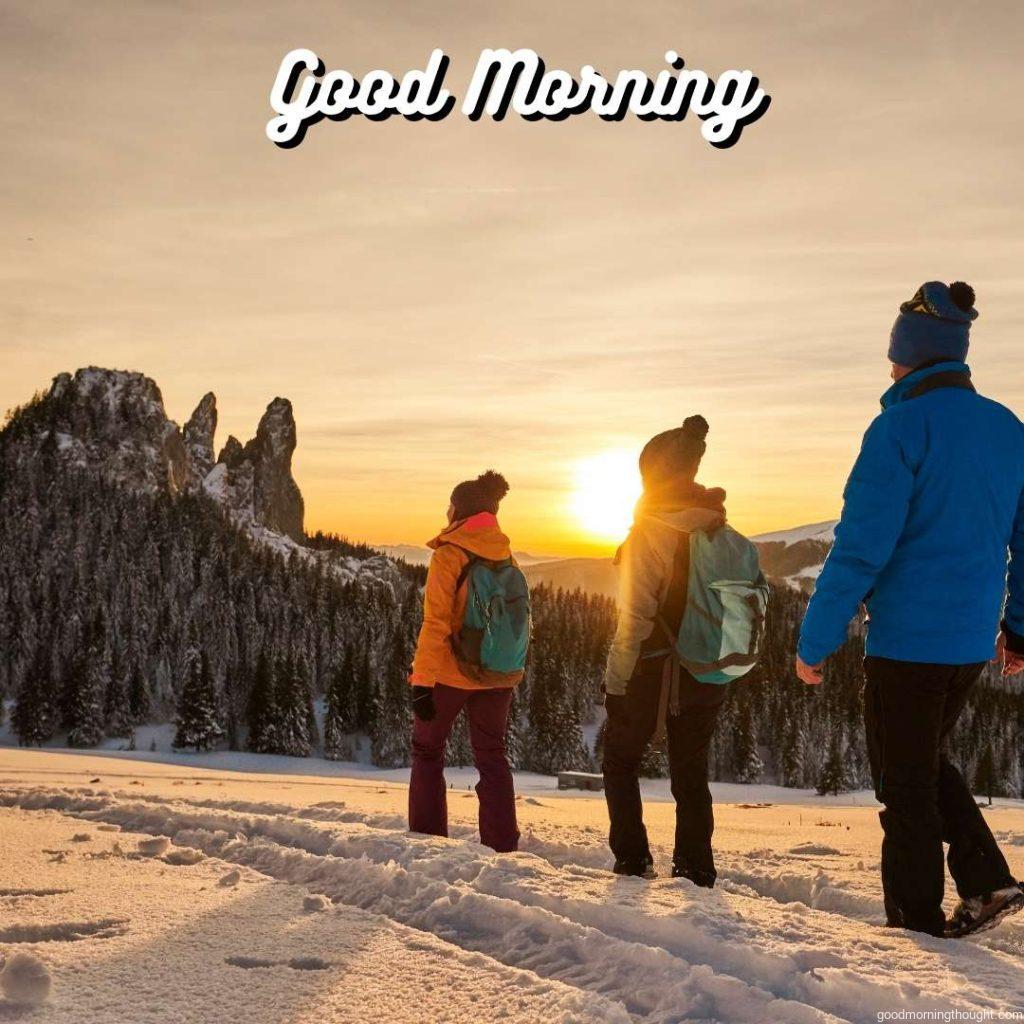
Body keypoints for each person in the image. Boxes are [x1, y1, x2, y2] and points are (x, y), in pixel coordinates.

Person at [796, 280, 1024, 938]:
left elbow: (861, 550)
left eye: (893, 354)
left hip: (907, 644)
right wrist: (1018, 628)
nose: (888, 365)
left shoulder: (898, 427)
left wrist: (814, 641)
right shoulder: (1008, 429)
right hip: (969, 643)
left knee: (905, 786)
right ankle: (986, 880)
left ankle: (916, 929)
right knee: (917, 764)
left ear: (915, 354)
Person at [602, 416, 730, 884]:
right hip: (709, 669)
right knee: (690, 772)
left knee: (620, 760)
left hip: (654, 672)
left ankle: (633, 862)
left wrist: (616, 682)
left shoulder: (651, 532)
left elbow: (633, 618)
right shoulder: (717, 527)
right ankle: (695, 869)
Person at [408, 470, 524, 853]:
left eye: (450, 506)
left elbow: (436, 622)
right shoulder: (505, 553)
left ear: (459, 510)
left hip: (453, 674)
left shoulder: (450, 553)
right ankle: (503, 846)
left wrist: (422, 680)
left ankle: (428, 841)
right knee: (492, 757)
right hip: (498, 674)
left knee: (428, 749)